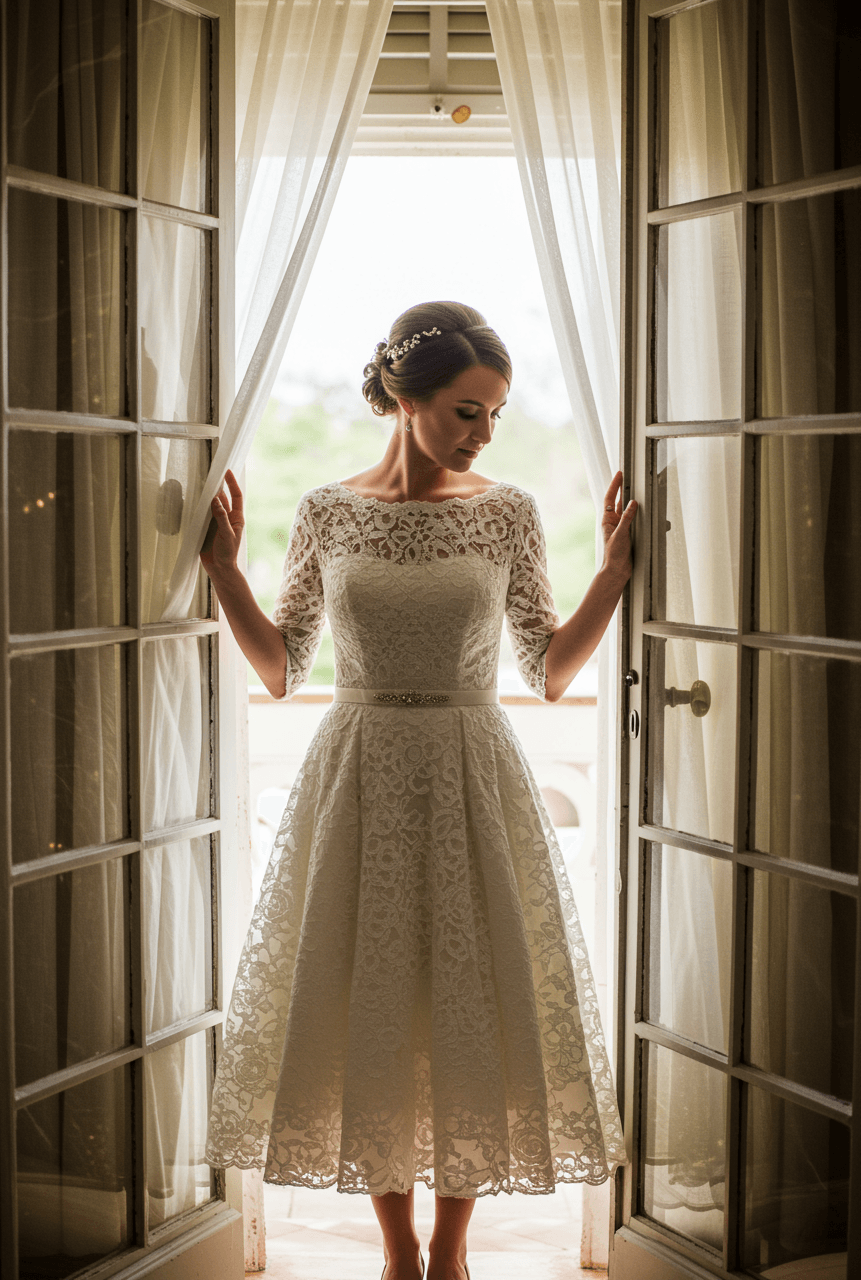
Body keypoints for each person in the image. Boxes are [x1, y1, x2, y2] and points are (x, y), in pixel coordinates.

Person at [203, 301, 633, 1280]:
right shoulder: (324, 509)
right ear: (405, 399)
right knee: (374, 1005)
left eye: (495, 413)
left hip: (471, 769)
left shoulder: (507, 511)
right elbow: (279, 667)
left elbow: (549, 671)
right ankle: (398, 1250)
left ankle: (453, 1249)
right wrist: (224, 568)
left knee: (467, 1005)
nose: (483, 432)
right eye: (465, 411)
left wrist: (608, 577)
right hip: (357, 772)